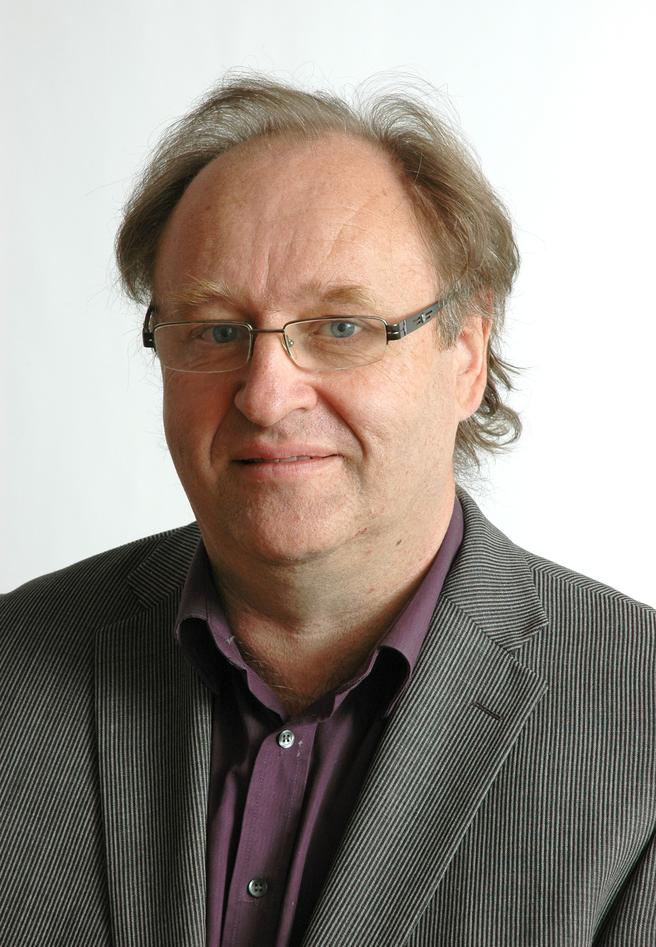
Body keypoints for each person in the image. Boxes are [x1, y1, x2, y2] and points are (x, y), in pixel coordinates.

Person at [1, 75, 654, 947]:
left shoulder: (640, 720)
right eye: (215, 329)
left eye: (342, 327)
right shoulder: (13, 667)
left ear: (466, 354)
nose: (266, 395)